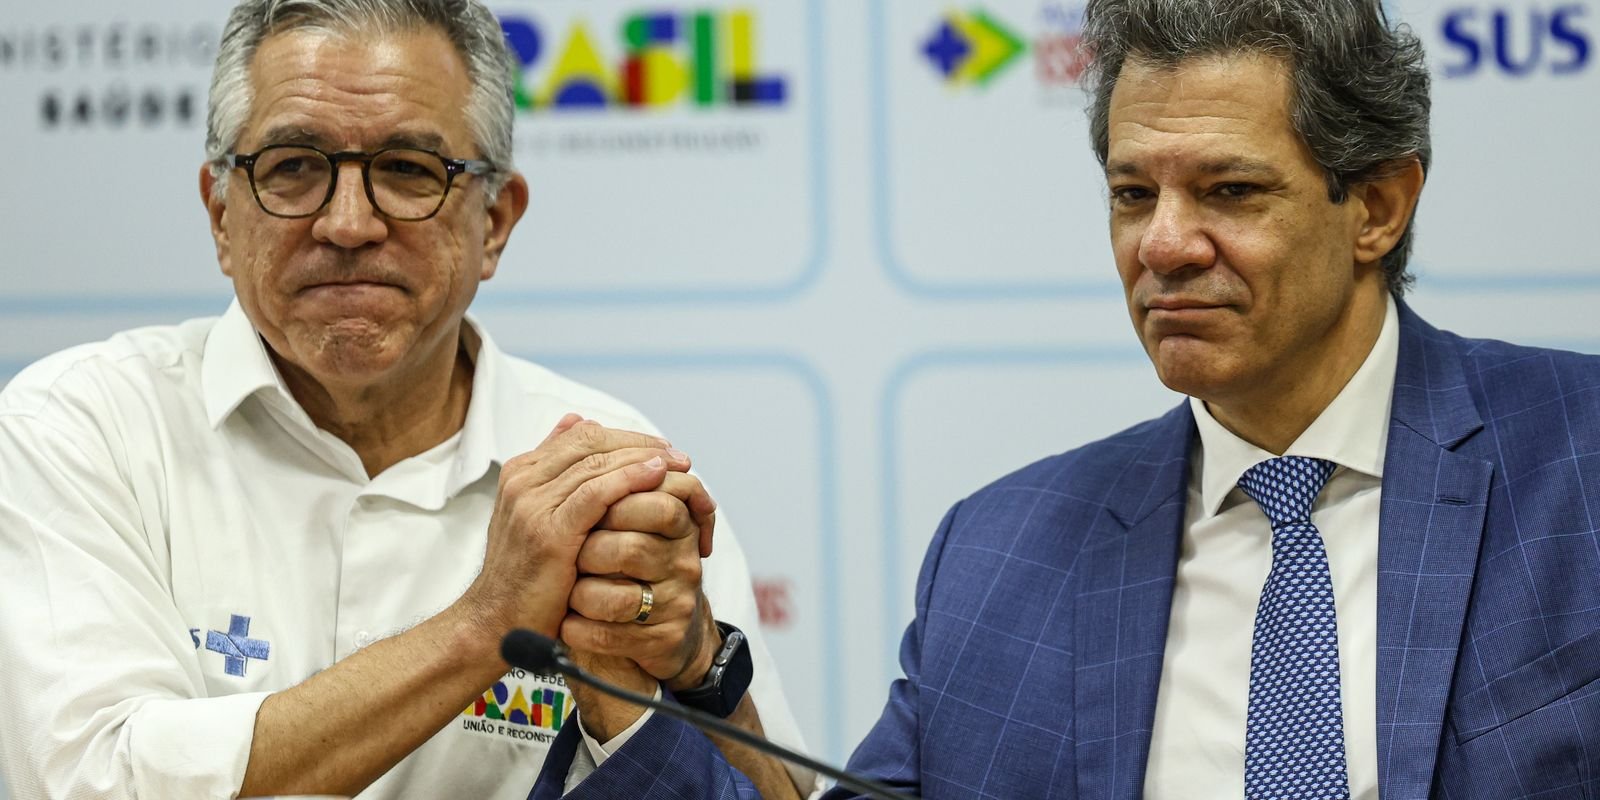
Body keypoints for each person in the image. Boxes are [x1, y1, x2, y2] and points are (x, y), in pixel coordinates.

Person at [529, 0, 1600, 797]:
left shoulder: (1578, 456)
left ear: (1376, 207)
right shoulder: (1001, 555)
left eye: (1229, 191)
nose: (1163, 245)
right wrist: (662, 678)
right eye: (1133, 194)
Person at [0, 1, 817, 798]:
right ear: (221, 216)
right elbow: (93, 780)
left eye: (407, 170)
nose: (348, 223)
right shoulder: (86, 426)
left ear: (494, 222)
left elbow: (783, 794)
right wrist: (486, 623)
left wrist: (695, 665)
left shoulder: (610, 470)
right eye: (293, 167)